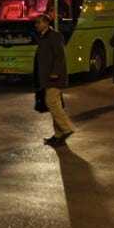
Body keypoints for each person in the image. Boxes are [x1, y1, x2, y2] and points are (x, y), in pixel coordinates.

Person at [33, 13, 74, 147]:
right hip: (47, 76)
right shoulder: (43, 37)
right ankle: (58, 135)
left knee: (51, 102)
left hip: (54, 77)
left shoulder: (54, 36)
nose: (36, 25)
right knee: (55, 104)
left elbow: (60, 56)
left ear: (46, 23)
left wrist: (56, 72)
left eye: (38, 22)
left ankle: (67, 128)